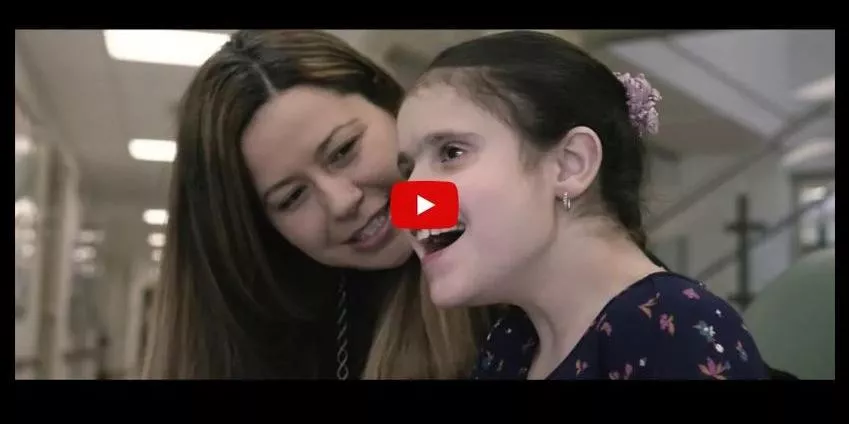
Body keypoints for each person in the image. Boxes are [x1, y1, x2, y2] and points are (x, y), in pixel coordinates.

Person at [395, 30, 769, 380]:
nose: (409, 205)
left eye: (451, 152)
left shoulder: (675, 333)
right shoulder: (512, 341)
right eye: (408, 169)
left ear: (571, 164)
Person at [142, 30, 489, 379]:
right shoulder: (277, 332)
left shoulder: (504, 243)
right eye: (292, 197)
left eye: (343, 151)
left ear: (392, 106)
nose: (341, 203)